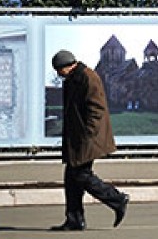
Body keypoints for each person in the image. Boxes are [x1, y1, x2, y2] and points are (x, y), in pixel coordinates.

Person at [50, 50, 129, 231]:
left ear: (67, 66)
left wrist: (88, 134)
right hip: (77, 137)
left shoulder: (88, 77)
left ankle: (117, 199)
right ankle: (74, 220)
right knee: (71, 178)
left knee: (81, 175)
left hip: (87, 138)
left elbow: (97, 109)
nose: (58, 74)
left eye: (58, 70)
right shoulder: (73, 78)